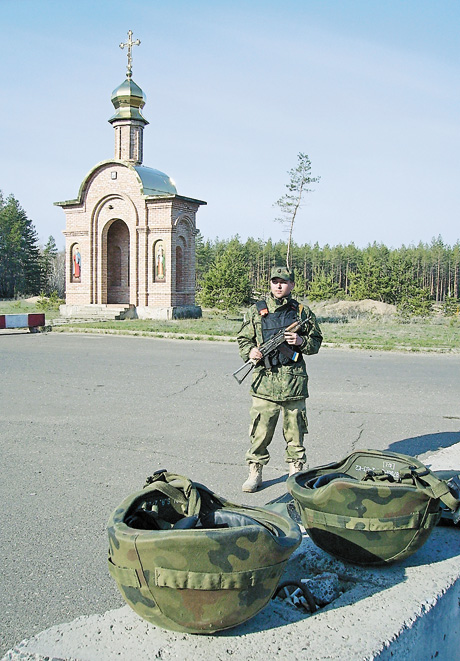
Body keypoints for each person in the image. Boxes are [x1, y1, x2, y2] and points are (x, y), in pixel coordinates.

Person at [237, 265, 323, 492]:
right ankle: (255, 471)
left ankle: (296, 472)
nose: (278, 285)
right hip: (264, 383)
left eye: (283, 282)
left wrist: (300, 342)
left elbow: (316, 342)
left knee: (295, 433)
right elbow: (243, 339)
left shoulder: (302, 312)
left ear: (292, 285)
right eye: (275, 281)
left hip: (293, 383)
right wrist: (250, 352)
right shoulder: (257, 311)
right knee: (260, 433)